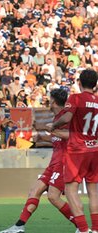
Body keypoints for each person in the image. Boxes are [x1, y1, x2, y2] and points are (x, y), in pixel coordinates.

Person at [1, 88, 76, 233]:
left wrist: (52, 130)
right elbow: (57, 138)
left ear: (53, 101)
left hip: (63, 162)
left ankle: (80, 226)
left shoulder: (66, 117)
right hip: (53, 163)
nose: (48, 100)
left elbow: (71, 136)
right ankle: (19, 226)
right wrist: (43, 137)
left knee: (53, 197)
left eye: (49, 98)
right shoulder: (57, 117)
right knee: (34, 191)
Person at [51, 69, 98, 233]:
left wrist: (54, 125)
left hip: (77, 149)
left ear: (79, 82)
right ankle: (96, 229)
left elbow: (67, 118)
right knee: (93, 191)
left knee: (71, 189)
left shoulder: (76, 98)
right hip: (95, 149)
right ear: (95, 84)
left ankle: (84, 230)